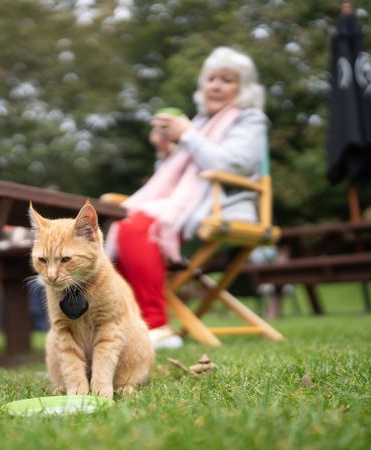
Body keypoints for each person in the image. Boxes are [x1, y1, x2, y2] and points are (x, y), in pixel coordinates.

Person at [105, 46, 268, 349]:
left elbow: (229, 165)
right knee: (120, 222)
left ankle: (156, 327)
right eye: (211, 79)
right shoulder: (201, 124)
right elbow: (172, 181)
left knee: (136, 226)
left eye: (227, 80)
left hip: (223, 207)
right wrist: (164, 150)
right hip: (186, 209)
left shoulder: (250, 120)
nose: (216, 86)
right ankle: (126, 324)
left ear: (242, 88)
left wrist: (188, 136)